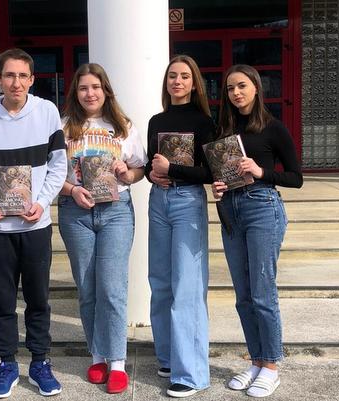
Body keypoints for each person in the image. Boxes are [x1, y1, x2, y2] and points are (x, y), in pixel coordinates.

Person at [0, 48, 67, 399]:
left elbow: (58, 165)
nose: (16, 83)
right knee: (3, 301)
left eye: (23, 76)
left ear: (32, 80)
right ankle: (6, 363)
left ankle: (39, 362)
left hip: (35, 226)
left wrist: (42, 202)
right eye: (9, 75)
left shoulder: (47, 112)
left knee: (38, 299)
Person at [212, 64, 303, 398]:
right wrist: (218, 187)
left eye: (242, 86)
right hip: (231, 209)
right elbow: (220, 173)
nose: (236, 93)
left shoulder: (273, 127)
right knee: (243, 296)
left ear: (255, 87)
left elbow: (296, 177)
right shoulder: (224, 130)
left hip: (262, 207)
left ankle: (272, 367)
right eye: (230, 88)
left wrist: (262, 171)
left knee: (263, 293)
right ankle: (256, 361)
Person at [57, 63, 147, 394]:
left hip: (116, 211)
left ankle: (118, 361)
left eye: (95, 87)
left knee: (112, 288)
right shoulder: (63, 127)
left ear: (106, 90)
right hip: (75, 212)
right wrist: (71, 190)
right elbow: (50, 175)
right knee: (87, 288)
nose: (90, 93)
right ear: (75, 93)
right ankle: (97, 356)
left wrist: (127, 173)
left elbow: (139, 169)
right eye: (83, 88)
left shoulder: (123, 126)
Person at [145, 55, 216, 398]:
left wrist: (172, 169)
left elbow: (211, 172)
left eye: (184, 76)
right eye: (172, 75)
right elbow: (150, 164)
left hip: (187, 201)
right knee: (160, 282)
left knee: (187, 285)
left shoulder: (204, 122)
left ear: (194, 83)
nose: (177, 81)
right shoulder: (156, 121)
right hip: (158, 201)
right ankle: (169, 357)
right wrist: (152, 174)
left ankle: (191, 374)